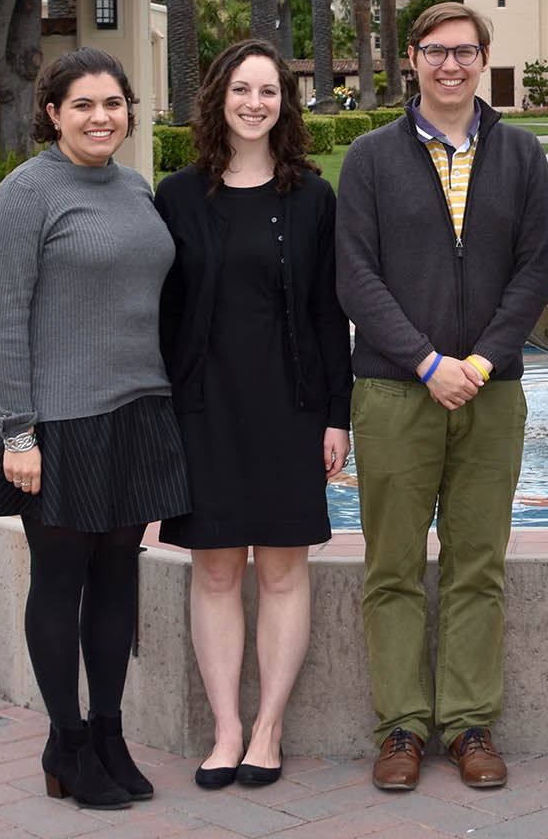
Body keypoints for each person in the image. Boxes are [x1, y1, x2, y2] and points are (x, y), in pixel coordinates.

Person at [337, 1, 548, 792]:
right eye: (436, 52)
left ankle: (467, 724)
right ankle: (399, 728)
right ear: (412, 59)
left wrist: (483, 362)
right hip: (396, 392)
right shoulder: (369, 158)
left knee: (476, 565)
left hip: (491, 395)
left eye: (465, 52)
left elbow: (533, 272)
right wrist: (429, 362)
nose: (451, 66)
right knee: (391, 567)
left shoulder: (523, 156)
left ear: (484, 58)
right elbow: (355, 277)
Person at [0, 48, 191, 811]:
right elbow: (1, 324)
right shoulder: (25, 195)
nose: (102, 117)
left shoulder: (134, 187)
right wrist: (19, 434)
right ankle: (64, 743)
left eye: (113, 103)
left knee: (117, 580)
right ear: (53, 114)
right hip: (59, 423)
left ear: (130, 110)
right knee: (60, 581)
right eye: (84, 105)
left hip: (138, 411)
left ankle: (107, 733)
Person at [154, 41, 352, 790]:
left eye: (269, 90)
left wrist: (338, 415)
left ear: (285, 103)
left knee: (281, 568)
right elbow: (162, 316)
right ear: (219, 97)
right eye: (241, 88)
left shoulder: (312, 198)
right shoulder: (175, 196)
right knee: (212, 569)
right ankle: (225, 729)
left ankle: (269, 726)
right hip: (204, 405)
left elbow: (330, 315)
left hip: (289, 405)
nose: (255, 103)